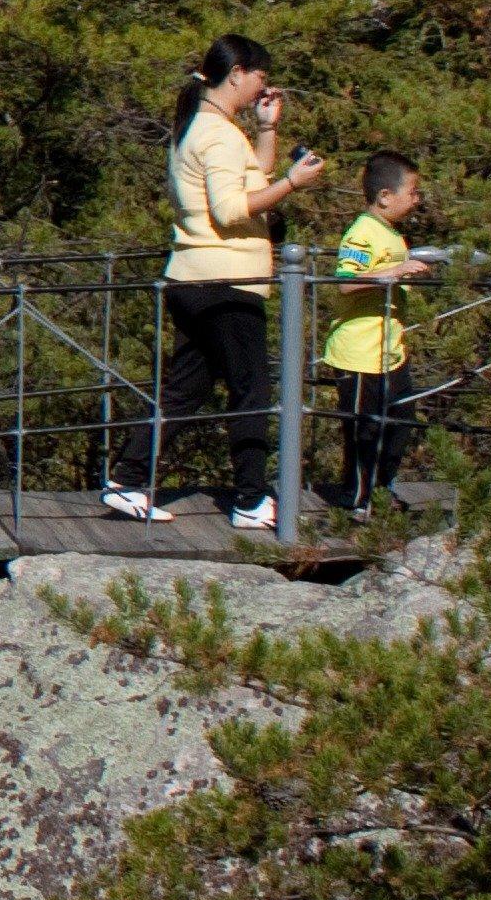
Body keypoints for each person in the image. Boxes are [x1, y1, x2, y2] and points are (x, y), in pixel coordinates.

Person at [138, 34, 326, 529]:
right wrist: (294, 184)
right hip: (225, 280)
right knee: (250, 389)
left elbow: (248, 179)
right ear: (238, 73)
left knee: (186, 391)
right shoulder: (218, 133)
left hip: (194, 278)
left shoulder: (204, 127)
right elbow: (233, 208)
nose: (263, 87)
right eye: (261, 77)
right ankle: (250, 499)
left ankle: (128, 479)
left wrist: (268, 130)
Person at [321, 151, 432, 513]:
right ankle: (357, 498)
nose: (417, 199)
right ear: (385, 195)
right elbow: (345, 282)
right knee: (364, 431)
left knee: (400, 422)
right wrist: (394, 273)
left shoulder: (391, 234)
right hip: (359, 354)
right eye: (412, 192)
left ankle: (381, 490)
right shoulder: (362, 233)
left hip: (389, 352)